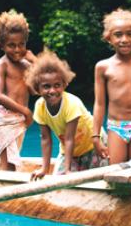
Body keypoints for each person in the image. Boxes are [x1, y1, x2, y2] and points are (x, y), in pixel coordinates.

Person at [27, 51, 108, 180]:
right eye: (46, 87)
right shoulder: (39, 107)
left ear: (64, 85)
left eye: (57, 85)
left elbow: (70, 138)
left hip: (92, 145)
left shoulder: (71, 103)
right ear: (37, 89)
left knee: (97, 179)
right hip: (69, 150)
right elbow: (45, 139)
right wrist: (44, 168)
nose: (52, 91)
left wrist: (68, 170)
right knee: (58, 179)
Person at [92, 9, 131, 164]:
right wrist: (95, 137)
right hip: (116, 127)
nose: (124, 39)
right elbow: (100, 104)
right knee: (116, 171)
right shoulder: (103, 67)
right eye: (118, 34)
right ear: (109, 38)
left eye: (129, 34)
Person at [0, 10, 35, 171]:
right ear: (1, 45)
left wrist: (35, 63)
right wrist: (26, 111)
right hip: (5, 120)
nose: (17, 49)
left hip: (20, 121)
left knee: (13, 163)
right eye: (11, 45)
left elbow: (36, 90)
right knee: (8, 164)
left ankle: (9, 190)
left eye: (21, 44)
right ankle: (4, 193)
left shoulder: (26, 65)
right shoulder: (1, 64)